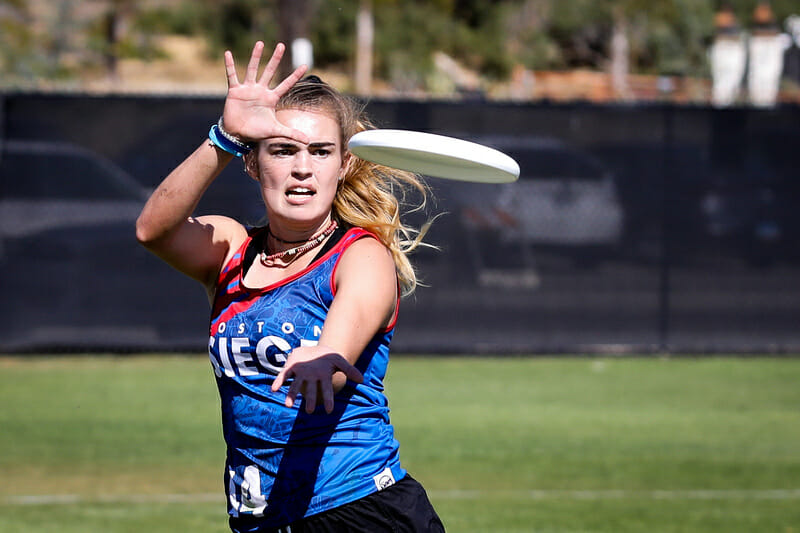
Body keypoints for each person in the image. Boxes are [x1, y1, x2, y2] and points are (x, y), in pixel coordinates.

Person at [136, 41, 445, 532]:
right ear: (252, 163)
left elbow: (337, 357)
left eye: (321, 152)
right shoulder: (232, 250)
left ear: (343, 165)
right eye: (283, 150)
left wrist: (324, 359)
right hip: (261, 519)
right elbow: (154, 230)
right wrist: (224, 137)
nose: (303, 167)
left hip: (359, 513)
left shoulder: (361, 255)